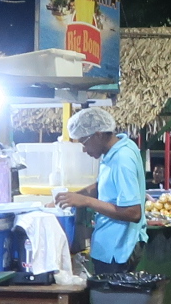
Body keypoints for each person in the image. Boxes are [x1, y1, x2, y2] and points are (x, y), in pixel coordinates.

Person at [60, 105, 146, 273]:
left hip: (119, 250)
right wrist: (72, 197)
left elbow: (134, 212)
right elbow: (102, 187)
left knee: (111, 298)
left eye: (84, 142)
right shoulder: (116, 151)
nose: (84, 150)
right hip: (109, 245)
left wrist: (86, 201)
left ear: (98, 135)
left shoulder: (122, 159)